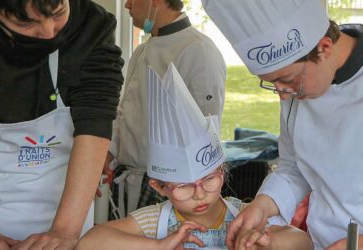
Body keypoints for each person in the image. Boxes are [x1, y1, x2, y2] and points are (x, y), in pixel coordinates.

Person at [77, 64, 312, 250]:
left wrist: (269, 243)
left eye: (209, 179)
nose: (200, 194)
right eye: (184, 186)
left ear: (222, 171)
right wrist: (158, 245)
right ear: (159, 186)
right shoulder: (153, 221)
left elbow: (303, 242)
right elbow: (89, 243)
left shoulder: (243, 216)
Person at [202, 0, 363, 249]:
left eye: (287, 80)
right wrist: (263, 205)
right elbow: (295, 166)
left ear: (325, 47)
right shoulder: (296, 92)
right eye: (272, 83)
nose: (284, 96)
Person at [0, 0, 123, 249]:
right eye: (25, 22)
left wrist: (65, 231)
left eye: (58, 14)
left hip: (63, 209)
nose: (49, 33)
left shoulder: (91, 26)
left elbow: (95, 123)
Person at [103, 0, 226, 216]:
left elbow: (206, 132)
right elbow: (125, 113)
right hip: (128, 181)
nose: (127, 6)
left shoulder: (199, 50)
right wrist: (108, 154)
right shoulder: (142, 51)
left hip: (170, 190)